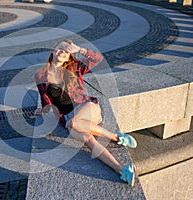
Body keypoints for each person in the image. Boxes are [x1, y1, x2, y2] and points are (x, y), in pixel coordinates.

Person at [34, 39, 137, 187]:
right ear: (53, 50)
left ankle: (117, 137)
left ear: (70, 56)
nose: (62, 52)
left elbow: (98, 59)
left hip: (87, 108)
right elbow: (46, 101)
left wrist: (80, 50)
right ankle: (122, 171)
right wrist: (43, 111)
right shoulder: (40, 75)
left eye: (66, 50)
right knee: (89, 140)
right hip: (67, 118)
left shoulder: (75, 67)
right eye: (60, 48)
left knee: (74, 123)